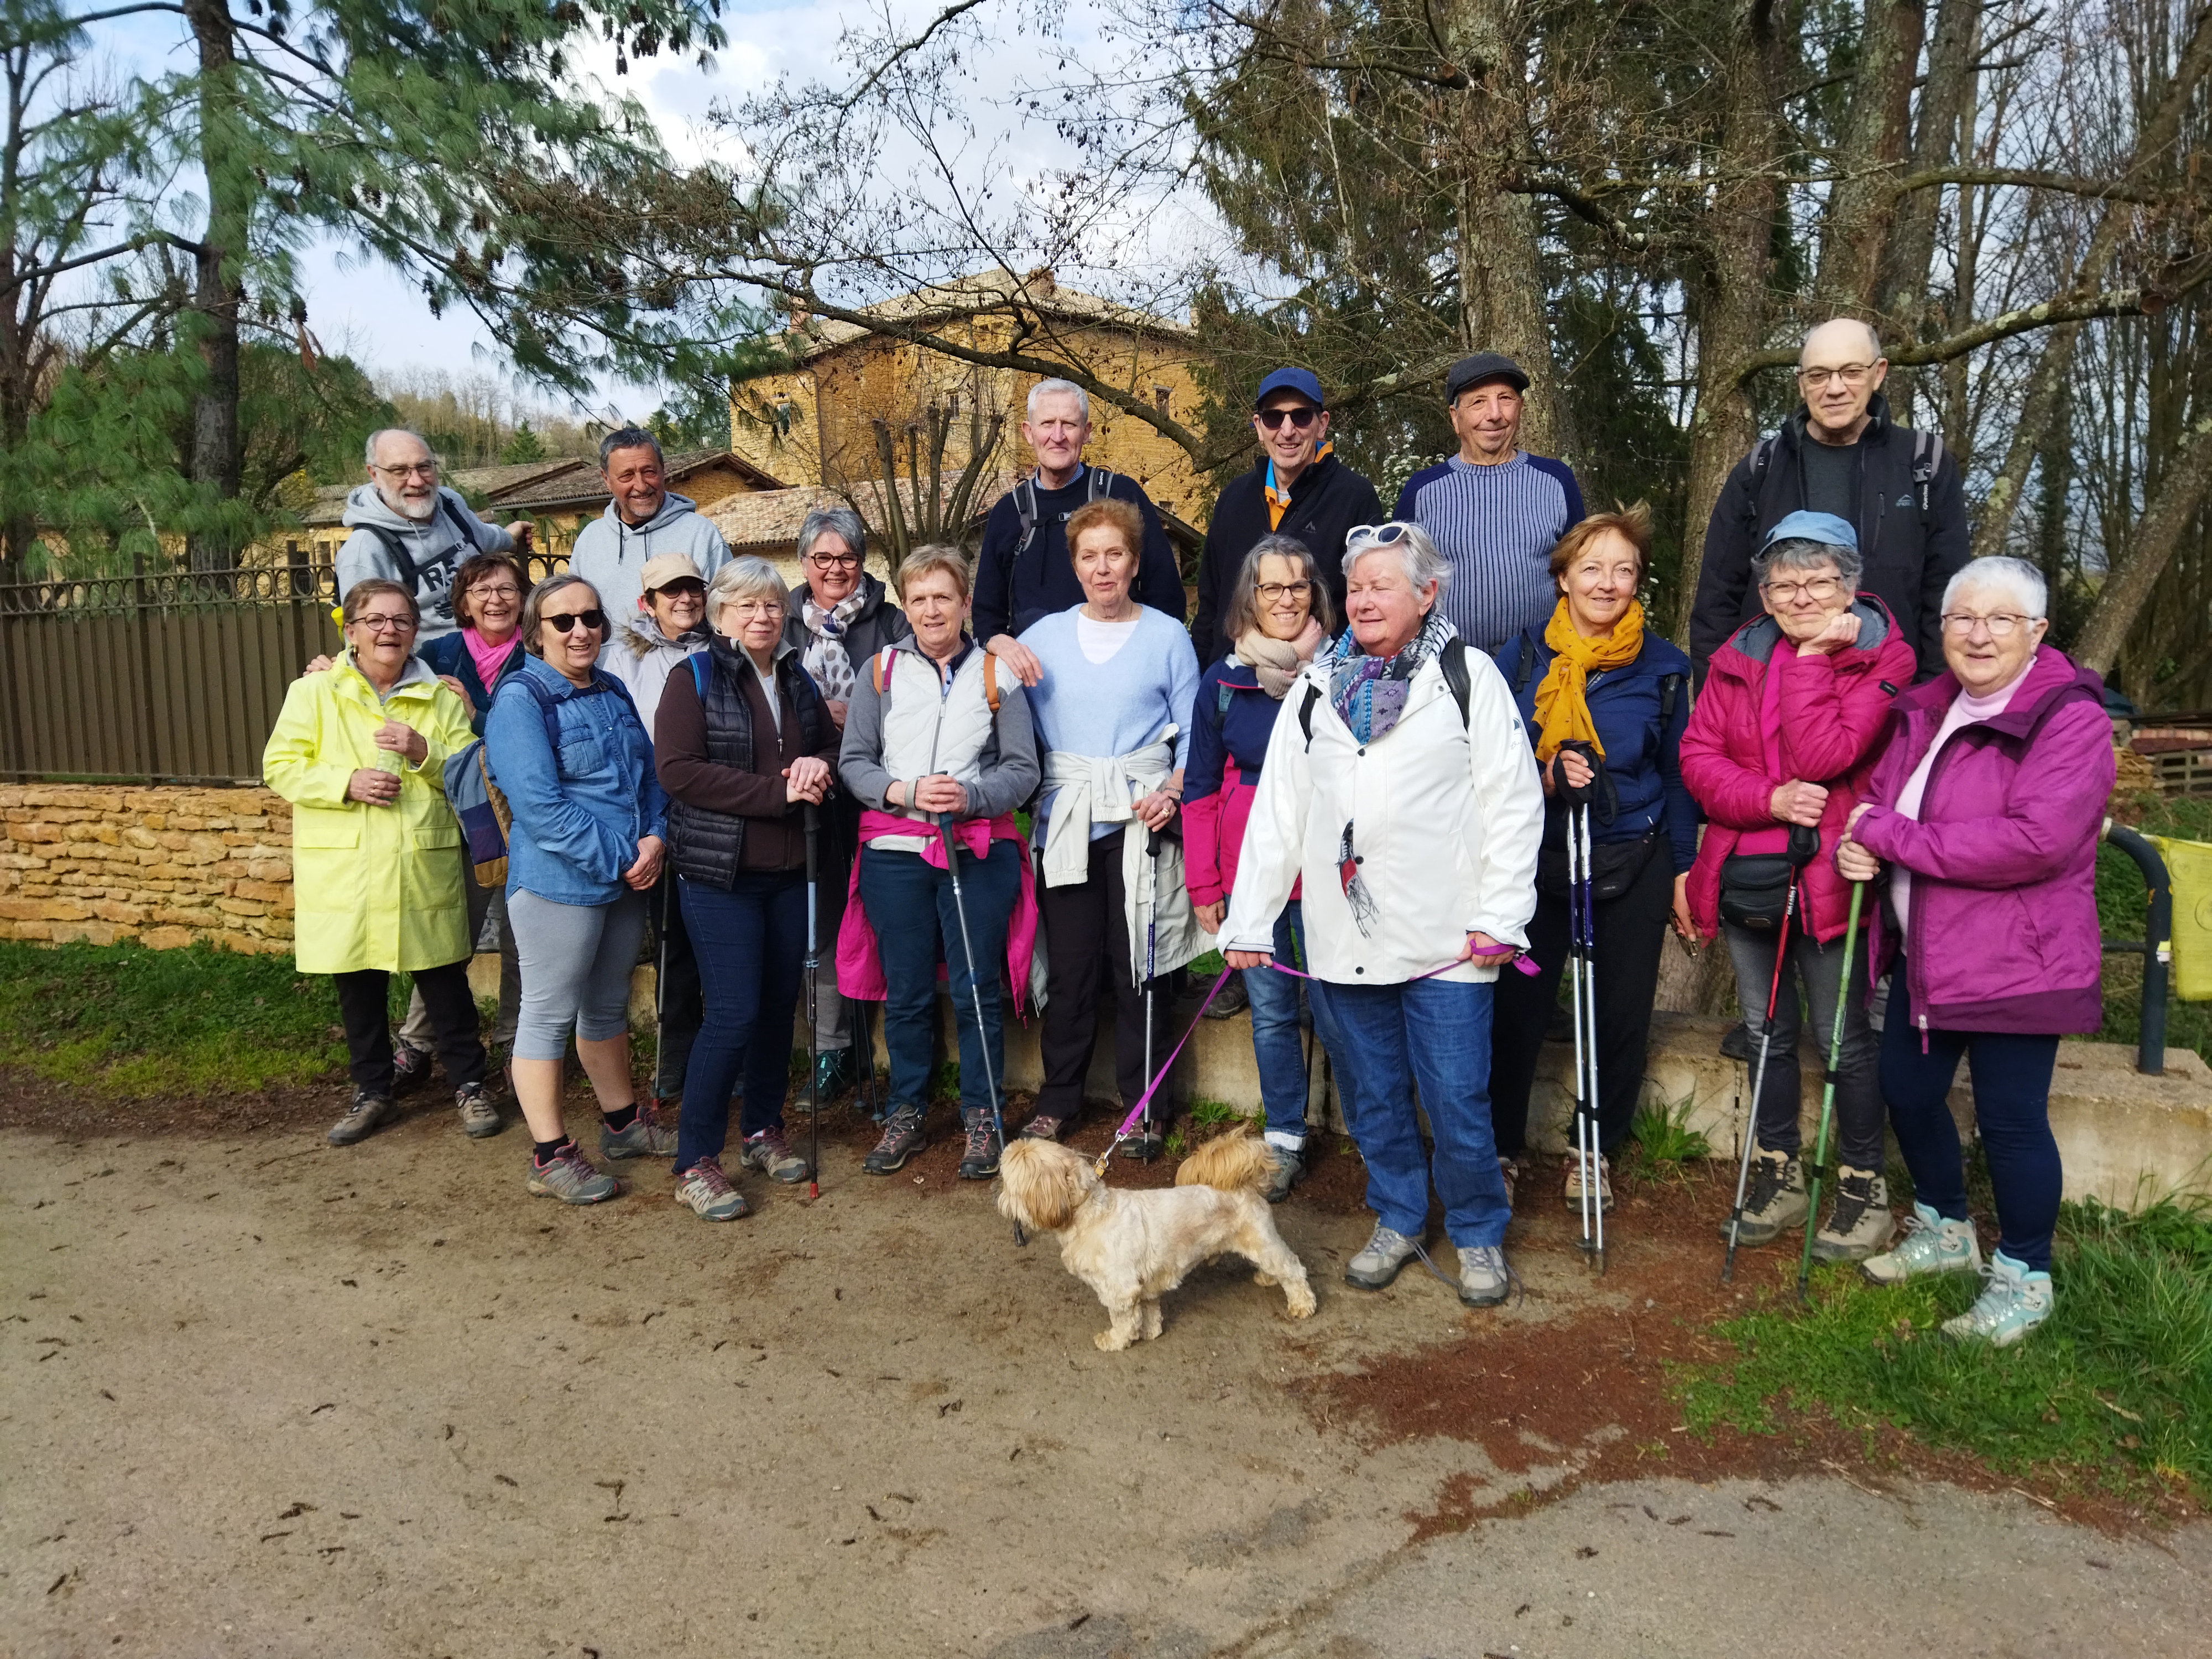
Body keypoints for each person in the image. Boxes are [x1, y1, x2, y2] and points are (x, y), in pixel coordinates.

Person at [1219, 521, 1544, 1308]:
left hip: (1449, 942)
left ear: (1428, 593)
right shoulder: (1316, 685)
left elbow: (1512, 800)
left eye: (1383, 586)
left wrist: (1501, 914)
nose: (1364, 600)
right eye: (1355, 587)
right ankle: (1397, 1216)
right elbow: (1279, 813)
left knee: (1457, 1100)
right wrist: (1251, 920)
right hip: (1344, 937)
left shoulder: (1469, 675)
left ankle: (1475, 1233)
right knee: (1373, 1097)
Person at [1838, 556, 2114, 1346]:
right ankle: (1946, 1225)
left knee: (2012, 1123)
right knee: (1909, 1092)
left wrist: (1890, 837)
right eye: (1963, 618)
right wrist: (1867, 846)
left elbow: (2037, 841)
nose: (1979, 634)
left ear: (2037, 633)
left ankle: (2027, 1275)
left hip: (2017, 960)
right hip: (1925, 955)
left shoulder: (2070, 718)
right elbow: (1881, 804)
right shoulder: (1928, 708)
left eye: (2001, 619)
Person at [1679, 512, 1916, 1260]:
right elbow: (1698, 759)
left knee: (1843, 1039)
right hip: (1749, 869)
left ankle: (1861, 1183)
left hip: (1829, 875)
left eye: (1817, 582)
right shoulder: (1736, 657)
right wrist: (1769, 801)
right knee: (1765, 1034)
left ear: (1850, 584)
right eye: (1784, 583)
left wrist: (1813, 656)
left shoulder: (1884, 657)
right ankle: (1778, 1171)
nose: (1800, 596)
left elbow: (1826, 751)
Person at [1486, 505, 1699, 1211]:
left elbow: (1675, 774)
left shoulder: (1664, 666)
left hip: (1632, 850)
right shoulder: (1517, 659)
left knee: (1620, 1011)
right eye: (1592, 569)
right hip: (1535, 856)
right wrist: (1543, 779)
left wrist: (1681, 868)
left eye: (1623, 571)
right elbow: (1486, 766)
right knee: (1518, 1008)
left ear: (1638, 582)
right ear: (1563, 577)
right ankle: (1502, 1147)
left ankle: (1595, 1150)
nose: (1607, 584)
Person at [263, 580, 491, 1145]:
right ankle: (373, 1092)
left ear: (415, 631)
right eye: (375, 620)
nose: (389, 630)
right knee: (357, 985)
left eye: (401, 621)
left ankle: (470, 1085)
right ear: (352, 632)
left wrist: (424, 752)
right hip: (349, 866)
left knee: (443, 981)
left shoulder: (436, 697)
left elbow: (468, 773)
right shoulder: (314, 692)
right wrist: (346, 782)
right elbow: (281, 766)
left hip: (420, 861)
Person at [837, 545, 1040, 1178]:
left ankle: (983, 1114)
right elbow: (854, 763)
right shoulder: (880, 672)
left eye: (943, 597)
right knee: (907, 991)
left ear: (962, 602)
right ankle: (908, 1110)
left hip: (975, 851)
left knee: (978, 988)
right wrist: (901, 791)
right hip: (894, 852)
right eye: (919, 598)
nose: (931, 610)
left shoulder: (994, 673)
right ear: (906, 604)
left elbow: (1024, 769)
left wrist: (973, 796)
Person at [654, 557, 842, 1220]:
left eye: (770, 606)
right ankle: (695, 1159)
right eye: (745, 607)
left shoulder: (795, 677)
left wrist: (821, 764)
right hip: (721, 876)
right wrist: (776, 793)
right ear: (719, 614)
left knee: (774, 1010)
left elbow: (827, 751)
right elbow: (678, 772)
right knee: (731, 1014)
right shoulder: (694, 677)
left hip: (790, 872)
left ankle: (762, 1130)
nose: (761, 617)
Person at [1019, 495, 1204, 1156]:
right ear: (1075, 566)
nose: (1103, 569)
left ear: (1135, 563)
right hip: (1068, 824)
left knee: (1141, 969)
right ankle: (1057, 1099)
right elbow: (1012, 725)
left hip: (1140, 822)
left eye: (1115, 555)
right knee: (1071, 972)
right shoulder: (1039, 641)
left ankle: (1146, 1105)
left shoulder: (1166, 636)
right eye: (1089, 556)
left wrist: (1175, 791)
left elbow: (1195, 732)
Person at [487, 572, 673, 1204]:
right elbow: (538, 805)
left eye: (590, 618)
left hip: (626, 875)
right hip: (559, 885)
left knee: (606, 1002)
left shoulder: (613, 688)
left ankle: (622, 1124)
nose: (580, 631)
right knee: (547, 1013)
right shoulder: (521, 700)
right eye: (562, 621)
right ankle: (548, 1156)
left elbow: (648, 776)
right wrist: (625, 857)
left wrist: (655, 837)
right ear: (537, 634)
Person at [1187, 533, 1344, 1199]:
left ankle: (1370, 1128)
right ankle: (1284, 1134)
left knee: (1342, 1005)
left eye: (1298, 586)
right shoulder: (1222, 684)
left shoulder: (1342, 671)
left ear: (1316, 594)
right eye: (1271, 587)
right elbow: (1196, 789)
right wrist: (1204, 884)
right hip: (1253, 874)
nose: (1285, 599)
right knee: (1274, 1011)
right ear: (1248, 597)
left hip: (1332, 873)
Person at [1688, 317, 1970, 684]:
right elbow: (1717, 599)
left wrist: (1929, 708)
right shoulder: (1761, 469)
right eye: (1819, 375)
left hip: (1892, 700)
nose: (1835, 388)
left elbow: (1947, 597)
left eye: (1851, 372)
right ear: (1801, 383)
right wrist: (1721, 702)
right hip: (1770, 704)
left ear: (1878, 373)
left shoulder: (1923, 464)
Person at [780, 505, 914, 1102]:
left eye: (847, 558)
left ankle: (871, 1051)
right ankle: (830, 1049)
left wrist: (855, 712)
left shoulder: (890, 622)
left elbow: (911, 700)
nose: (835, 569)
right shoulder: (779, 617)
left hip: (870, 787)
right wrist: (814, 714)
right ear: (804, 562)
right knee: (815, 920)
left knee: (871, 919)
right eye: (822, 558)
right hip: (798, 788)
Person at [400, 551, 529, 1087]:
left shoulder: (541, 651)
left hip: (525, 816)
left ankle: (516, 1043)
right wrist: (327, 665)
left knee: (522, 937)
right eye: (482, 591)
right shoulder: (436, 656)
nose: (495, 600)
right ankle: (417, 1040)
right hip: (464, 816)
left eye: (506, 590)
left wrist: (476, 717)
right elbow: (373, 675)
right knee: (453, 933)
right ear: (464, 603)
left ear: (523, 600)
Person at [974, 378, 1187, 682]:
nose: (1057, 436)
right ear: (1028, 432)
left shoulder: (1121, 496)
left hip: (1121, 676)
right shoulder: (1009, 513)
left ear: (1086, 432)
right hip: (1035, 686)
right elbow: (986, 617)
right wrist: (1001, 643)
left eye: (1069, 424)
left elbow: (1167, 598)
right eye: (1047, 423)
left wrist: (1144, 666)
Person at [601, 550, 714, 1115]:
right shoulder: (622, 659)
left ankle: (720, 1063)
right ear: (649, 603)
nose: (686, 599)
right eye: (672, 592)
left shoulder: (721, 650)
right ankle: (674, 1067)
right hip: (652, 817)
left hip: (715, 815)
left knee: (708, 945)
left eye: (693, 588)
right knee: (670, 945)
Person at [1188, 367, 1383, 666]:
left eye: (1301, 416)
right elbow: (1211, 607)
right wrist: (1203, 681)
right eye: (1274, 417)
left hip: (1318, 685)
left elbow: (1366, 604)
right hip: (1233, 686)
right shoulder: (1233, 499)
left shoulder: (1354, 497)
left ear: (1322, 424)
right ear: (1259, 426)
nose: (1287, 430)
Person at [1394, 353, 1585, 655]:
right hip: (1448, 670)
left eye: (1506, 398)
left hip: (1542, 668)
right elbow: (1399, 583)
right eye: (1478, 402)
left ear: (1520, 407)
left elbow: (1583, 573)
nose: (1495, 414)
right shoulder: (1422, 491)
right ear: (1456, 418)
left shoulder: (1557, 481)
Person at [336, 429, 531, 644]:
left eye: (424, 467)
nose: (417, 481)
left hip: (495, 646)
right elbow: (364, 642)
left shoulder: (449, 504)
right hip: (434, 669)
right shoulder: (364, 550)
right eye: (400, 471)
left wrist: (510, 538)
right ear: (374, 474)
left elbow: (482, 536)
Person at [566, 426, 732, 649]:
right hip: (606, 679)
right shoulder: (589, 542)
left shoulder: (702, 534)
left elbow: (728, 615)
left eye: (649, 472)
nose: (641, 486)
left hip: (686, 676)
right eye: (627, 475)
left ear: (663, 470)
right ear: (606, 479)